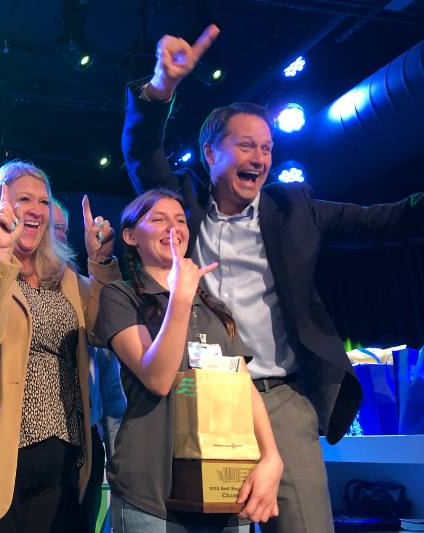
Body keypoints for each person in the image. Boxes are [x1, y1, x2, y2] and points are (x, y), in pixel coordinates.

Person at [121, 24, 424, 533]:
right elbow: (140, 149)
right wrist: (161, 87)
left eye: (266, 148)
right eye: (246, 146)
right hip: (202, 392)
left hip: (281, 397)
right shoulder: (182, 207)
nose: (260, 159)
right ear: (211, 153)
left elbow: (385, 221)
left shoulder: (295, 208)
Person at [0, 161, 121, 533]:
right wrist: (0, 256)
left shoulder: (63, 276)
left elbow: (104, 331)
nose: (36, 210)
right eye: (24, 198)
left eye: (43, 202)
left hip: (62, 456)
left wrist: (101, 263)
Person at [95, 188, 283, 532]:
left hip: (222, 491)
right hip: (152, 496)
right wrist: (179, 297)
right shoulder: (120, 297)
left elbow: (242, 384)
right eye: (158, 219)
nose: (174, 228)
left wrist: (271, 456)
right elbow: (159, 379)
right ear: (130, 236)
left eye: (180, 220)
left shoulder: (214, 307)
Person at [53, 199, 127, 532]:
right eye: (43, 225)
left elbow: (112, 395)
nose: (53, 234)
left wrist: (118, 464)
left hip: (85, 448)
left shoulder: (86, 291)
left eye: (61, 228)